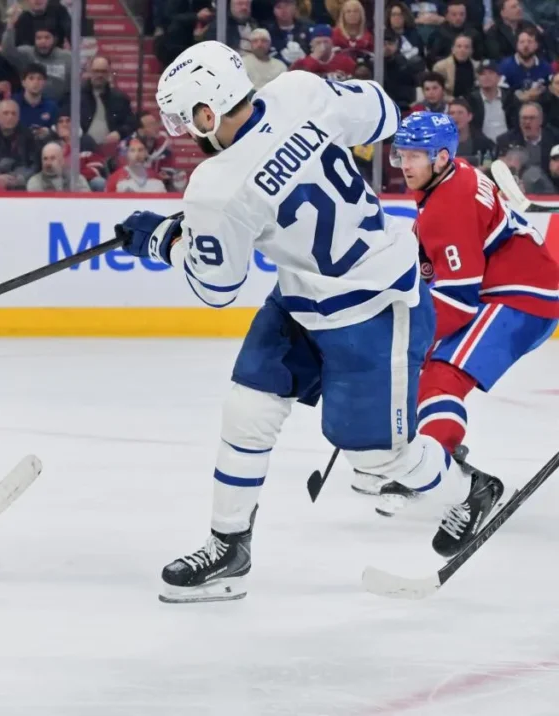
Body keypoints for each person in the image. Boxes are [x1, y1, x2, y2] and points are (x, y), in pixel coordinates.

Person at [119, 41, 494, 603]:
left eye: (185, 120)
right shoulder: (300, 90)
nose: (186, 135)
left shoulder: (216, 188)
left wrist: (165, 241)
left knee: (379, 457)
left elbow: (217, 287)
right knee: (248, 407)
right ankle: (230, 547)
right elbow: (385, 113)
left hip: (374, 306)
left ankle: (469, 490)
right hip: (302, 298)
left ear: (207, 113)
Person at [373, 113, 559, 523]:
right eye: (401, 153)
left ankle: (443, 473)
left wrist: (405, 336)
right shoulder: (451, 175)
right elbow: (439, 257)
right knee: (427, 365)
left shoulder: (448, 202)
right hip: (507, 288)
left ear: (441, 157)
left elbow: (456, 303)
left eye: (415, 155)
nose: (404, 163)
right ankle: (438, 452)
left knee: (440, 372)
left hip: (520, 298)